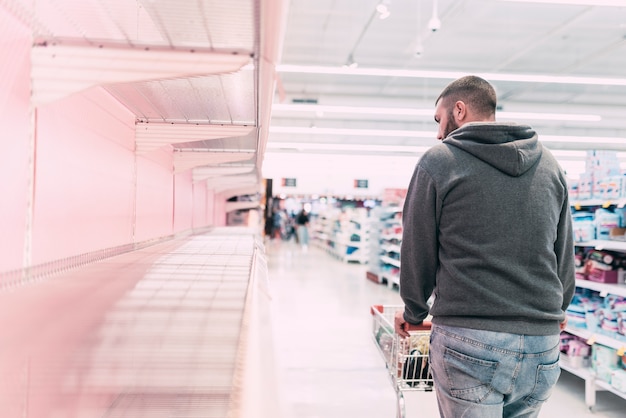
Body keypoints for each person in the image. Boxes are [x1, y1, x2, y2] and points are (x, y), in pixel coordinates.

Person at [393, 75, 575, 418]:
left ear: (458, 110)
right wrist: (558, 307)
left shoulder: (438, 161)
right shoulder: (550, 164)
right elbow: (563, 249)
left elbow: (417, 249)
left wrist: (413, 311)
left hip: (469, 339)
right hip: (541, 343)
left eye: (439, 119)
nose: (437, 132)